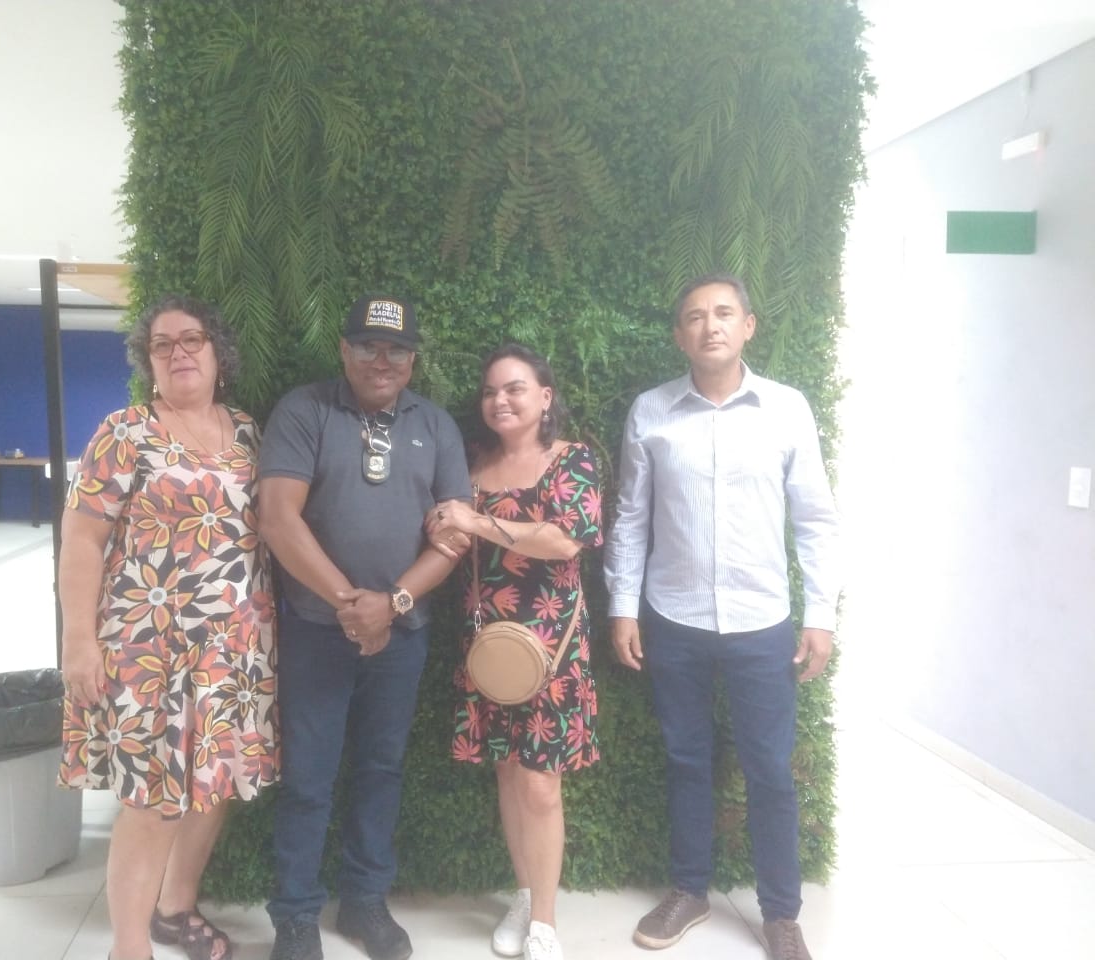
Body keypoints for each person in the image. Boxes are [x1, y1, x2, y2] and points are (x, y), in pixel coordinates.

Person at [603, 273, 839, 960]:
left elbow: (816, 519)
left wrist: (820, 614)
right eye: (695, 316)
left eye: (724, 313)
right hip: (673, 618)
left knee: (769, 769)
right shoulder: (652, 412)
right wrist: (623, 607)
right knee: (686, 757)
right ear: (679, 335)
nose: (711, 325)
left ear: (748, 326)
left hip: (762, 622)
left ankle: (781, 914)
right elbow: (630, 518)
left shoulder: (786, 409)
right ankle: (690, 890)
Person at [58, 295, 277, 960]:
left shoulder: (249, 433)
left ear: (217, 353)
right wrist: (77, 640)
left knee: (215, 782)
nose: (178, 352)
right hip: (148, 649)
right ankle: (130, 947)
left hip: (234, 651)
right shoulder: (125, 432)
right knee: (152, 799)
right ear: (148, 361)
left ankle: (175, 909)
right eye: (162, 344)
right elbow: (82, 540)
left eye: (192, 340)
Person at [257, 294, 472, 960]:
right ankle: (296, 915)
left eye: (396, 349)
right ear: (344, 350)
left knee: (382, 769)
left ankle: (365, 902)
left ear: (412, 359)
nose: (382, 360)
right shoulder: (305, 411)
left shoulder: (435, 425)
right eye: (368, 346)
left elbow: (455, 533)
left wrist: (393, 603)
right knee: (308, 777)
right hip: (316, 631)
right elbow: (277, 519)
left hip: (403, 634)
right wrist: (353, 604)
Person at [426, 343, 603, 960]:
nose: (499, 400)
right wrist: (442, 524)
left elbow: (565, 541)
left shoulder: (571, 460)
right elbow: (446, 532)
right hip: (488, 645)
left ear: (545, 397)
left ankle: (545, 924)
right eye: (490, 391)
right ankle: (525, 896)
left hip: (552, 648)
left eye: (515, 388)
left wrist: (476, 522)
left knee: (541, 785)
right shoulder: (472, 465)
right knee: (507, 769)